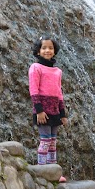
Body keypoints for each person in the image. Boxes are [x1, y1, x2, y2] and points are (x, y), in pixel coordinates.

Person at [28, 36, 68, 181]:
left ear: (54, 51)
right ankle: (42, 170)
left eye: (50, 48)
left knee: (52, 142)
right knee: (45, 140)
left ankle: (54, 173)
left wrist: (63, 113)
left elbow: (59, 93)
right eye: (44, 48)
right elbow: (34, 90)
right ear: (38, 51)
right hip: (42, 111)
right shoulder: (35, 68)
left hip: (55, 110)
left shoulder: (57, 71)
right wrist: (39, 110)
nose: (47, 50)